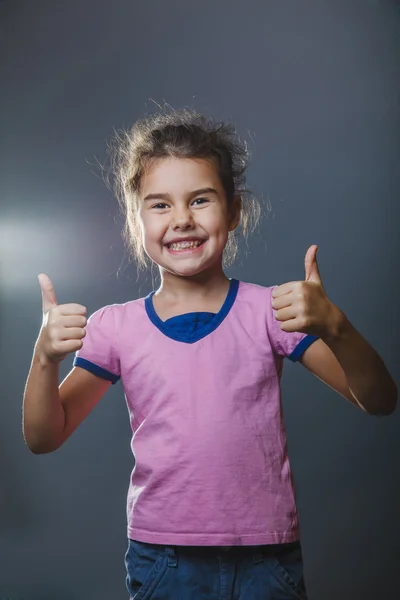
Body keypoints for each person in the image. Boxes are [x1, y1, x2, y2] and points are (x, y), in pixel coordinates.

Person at [23, 107, 397, 600]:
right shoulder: (115, 327)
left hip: (267, 558)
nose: (181, 219)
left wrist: (338, 327)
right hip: (163, 559)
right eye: (159, 205)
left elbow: (379, 399)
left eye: (200, 200)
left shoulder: (270, 310)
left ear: (234, 211)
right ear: (137, 222)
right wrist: (44, 358)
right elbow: (43, 437)